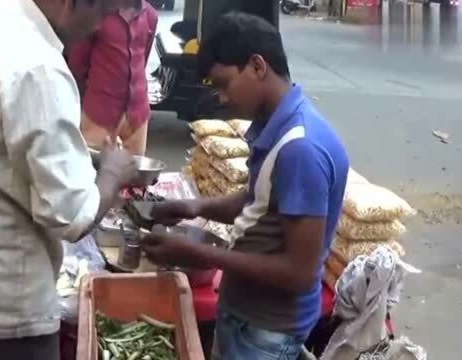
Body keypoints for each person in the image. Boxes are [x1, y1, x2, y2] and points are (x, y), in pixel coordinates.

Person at [0, 0, 136, 359]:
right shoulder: (36, 65)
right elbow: (73, 216)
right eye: (102, 13)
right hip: (1, 303)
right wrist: (112, 171)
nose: (98, 28)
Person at [142, 12, 350, 360]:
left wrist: (196, 253)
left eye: (224, 84)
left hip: (264, 329)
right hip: (247, 314)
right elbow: (263, 200)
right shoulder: (278, 125)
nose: (222, 98)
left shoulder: (301, 148)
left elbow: (299, 273)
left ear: (257, 66)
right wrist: (194, 207)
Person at [67, 0, 158, 155]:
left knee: (133, 174)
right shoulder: (96, 12)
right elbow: (77, 64)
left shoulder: (150, 15)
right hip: (99, 113)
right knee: (95, 173)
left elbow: (142, 60)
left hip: (137, 115)